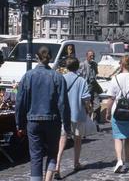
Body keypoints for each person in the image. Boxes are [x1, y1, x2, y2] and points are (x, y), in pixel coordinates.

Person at [15, 46, 71, 181]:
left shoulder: (28, 76)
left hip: (33, 121)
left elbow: (20, 102)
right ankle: (48, 179)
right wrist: (67, 125)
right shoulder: (58, 77)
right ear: (50, 58)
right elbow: (63, 104)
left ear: (36, 57)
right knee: (52, 153)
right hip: (53, 121)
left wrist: (19, 124)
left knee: (35, 156)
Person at [54, 57, 91, 179]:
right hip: (78, 114)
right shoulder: (81, 81)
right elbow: (86, 99)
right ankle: (76, 163)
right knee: (78, 139)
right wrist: (88, 109)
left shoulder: (61, 78)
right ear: (77, 67)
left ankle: (57, 166)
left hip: (64, 115)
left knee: (62, 140)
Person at [106, 55, 129, 173]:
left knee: (118, 137)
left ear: (121, 64)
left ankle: (119, 160)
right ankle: (127, 160)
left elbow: (111, 98)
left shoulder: (115, 79)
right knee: (128, 137)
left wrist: (107, 111)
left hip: (117, 111)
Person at [79, 49, 101, 129]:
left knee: (97, 105)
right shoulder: (82, 65)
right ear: (87, 56)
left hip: (94, 88)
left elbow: (96, 74)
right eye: (90, 56)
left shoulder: (95, 64)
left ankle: (96, 123)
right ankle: (86, 125)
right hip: (86, 89)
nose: (92, 57)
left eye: (93, 56)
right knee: (86, 107)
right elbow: (80, 76)